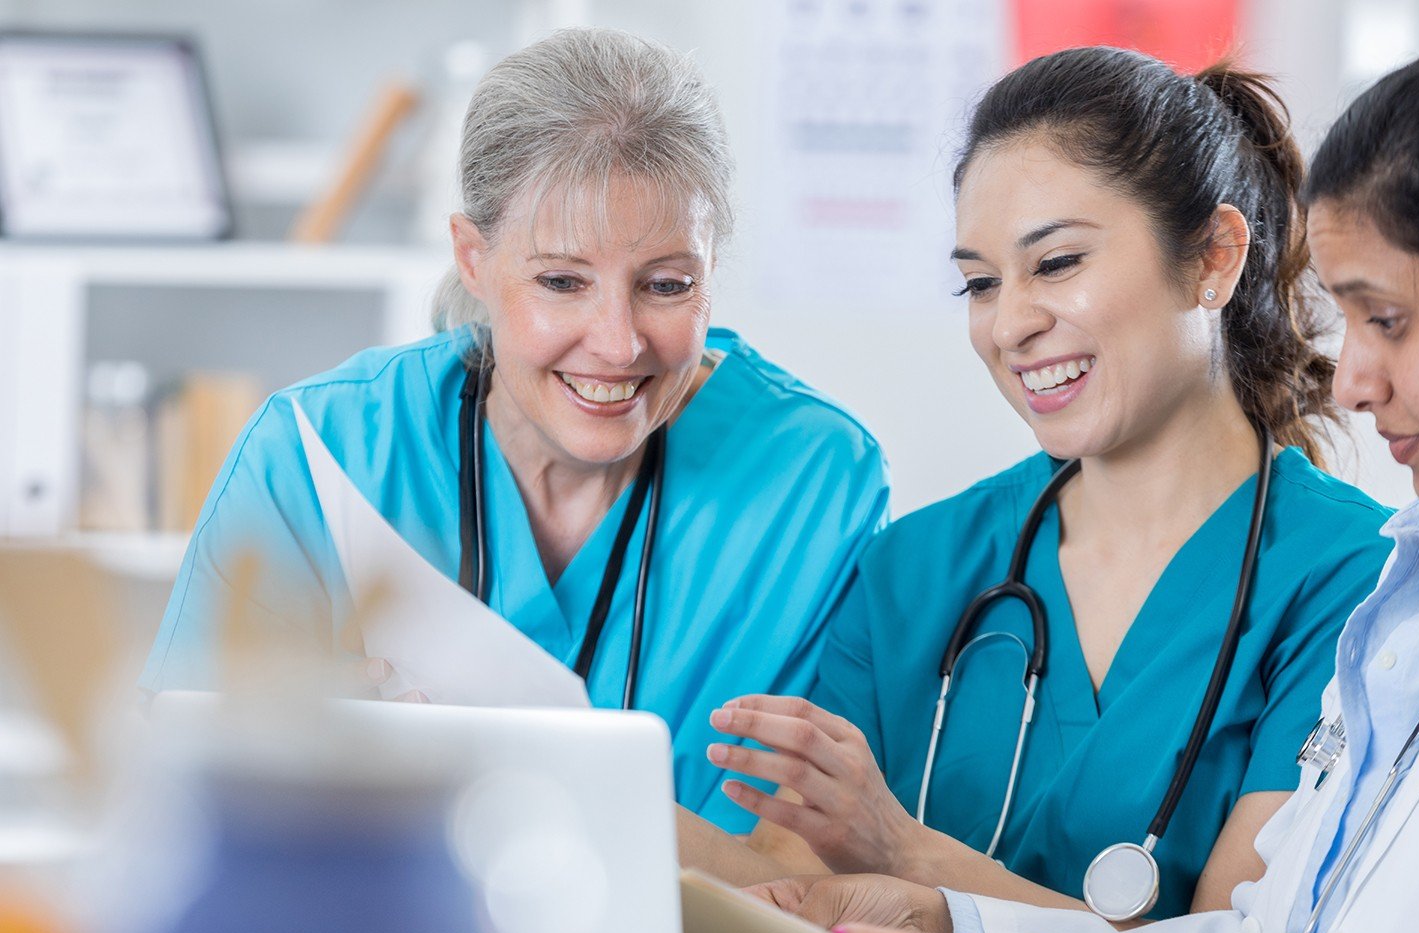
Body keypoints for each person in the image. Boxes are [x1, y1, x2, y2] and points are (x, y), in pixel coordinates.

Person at [746, 44, 1419, 933]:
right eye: (981, 282)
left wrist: (907, 855)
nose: (1010, 322)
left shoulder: (1356, 586)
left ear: (1214, 260)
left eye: (1057, 261)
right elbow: (784, 896)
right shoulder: (913, 569)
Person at [138, 27, 889, 832]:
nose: (618, 341)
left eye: (667, 285)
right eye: (562, 281)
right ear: (473, 258)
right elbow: (175, 807)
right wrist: (295, 766)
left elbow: (820, 865)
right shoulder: (320, 453)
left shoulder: (815, 481)